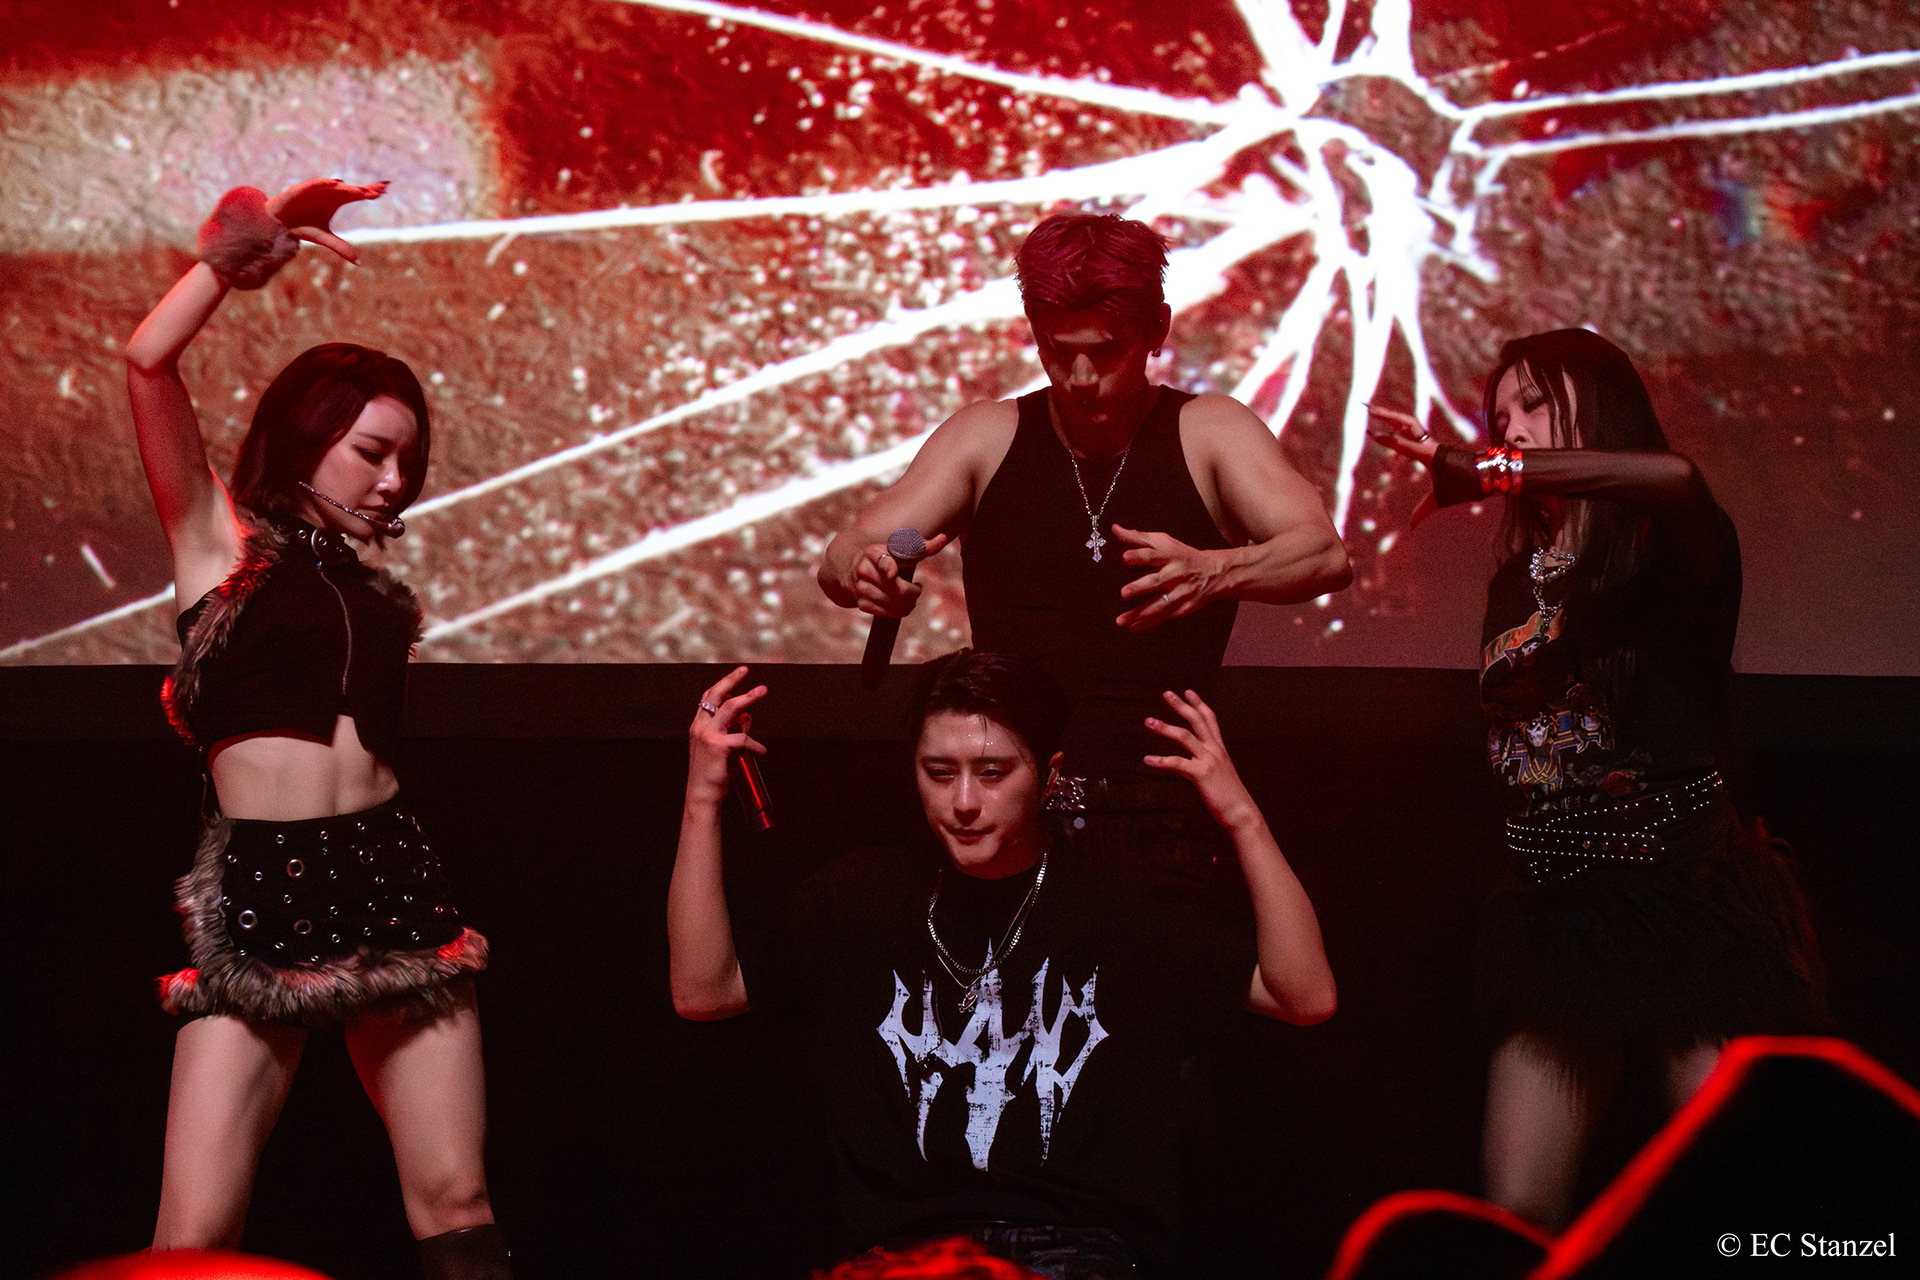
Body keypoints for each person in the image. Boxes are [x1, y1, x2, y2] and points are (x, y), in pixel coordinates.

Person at [127, 179, 509, 1278]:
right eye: (371, 452)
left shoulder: (375, 592)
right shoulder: (221, 542)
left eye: (406, 464)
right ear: (309, 436)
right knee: (193, 1234)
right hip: (262, 886)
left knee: (456, 1199)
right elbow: (147, 364)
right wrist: (237, 256)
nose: (393, 482)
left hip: (390, 875)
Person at [668, 652, 1336, 1278]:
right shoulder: (859, 896)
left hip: (1078, 1251)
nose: (963, 801)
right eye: (939, 772)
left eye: (993, 773)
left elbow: (1304, 997)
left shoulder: (1127, 905)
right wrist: (702, 801)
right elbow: (704, 991)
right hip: (904, 1254)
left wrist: (1242, 818)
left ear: (1049, 774)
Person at [1367, 328, 1825, 1230]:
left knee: (1725, 1197)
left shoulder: (1674, 546)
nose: (1512, 427)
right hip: (1556, 909)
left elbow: (1678, 478)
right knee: (1519, 1207)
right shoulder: (1514, 583)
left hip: (1684, 894)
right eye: (1500, 417)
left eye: (1535, 405)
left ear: (1599, 406)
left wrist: (1483, 469)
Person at [817, 213, 1350, 856]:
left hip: (1163, 807)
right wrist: (866, 573)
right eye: (1057, 348)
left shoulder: (1211, 430)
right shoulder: (987, 436)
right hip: (1011, 809)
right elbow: (843, 554)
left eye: (1104, 350)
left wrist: (1217, 571)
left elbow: (1324, 554)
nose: (1080, 376)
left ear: (1157, 329)